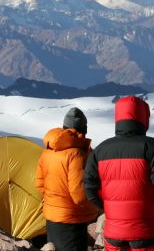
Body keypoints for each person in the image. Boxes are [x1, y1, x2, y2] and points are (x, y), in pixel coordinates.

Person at [84, 96, 154, 251]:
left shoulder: (100, 150)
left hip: (113, 234)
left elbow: (90, 188)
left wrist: (109, 208)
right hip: (148, 232)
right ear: (144, 118)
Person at [36, 107, 98, 251]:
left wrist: (54, 201)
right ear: (84, 129)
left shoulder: (48, 150)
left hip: (52, 217)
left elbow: (39, 183)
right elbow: (79, 196)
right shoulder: (77, 154)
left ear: (64, 128)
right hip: (72, 218)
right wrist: (97, 203)